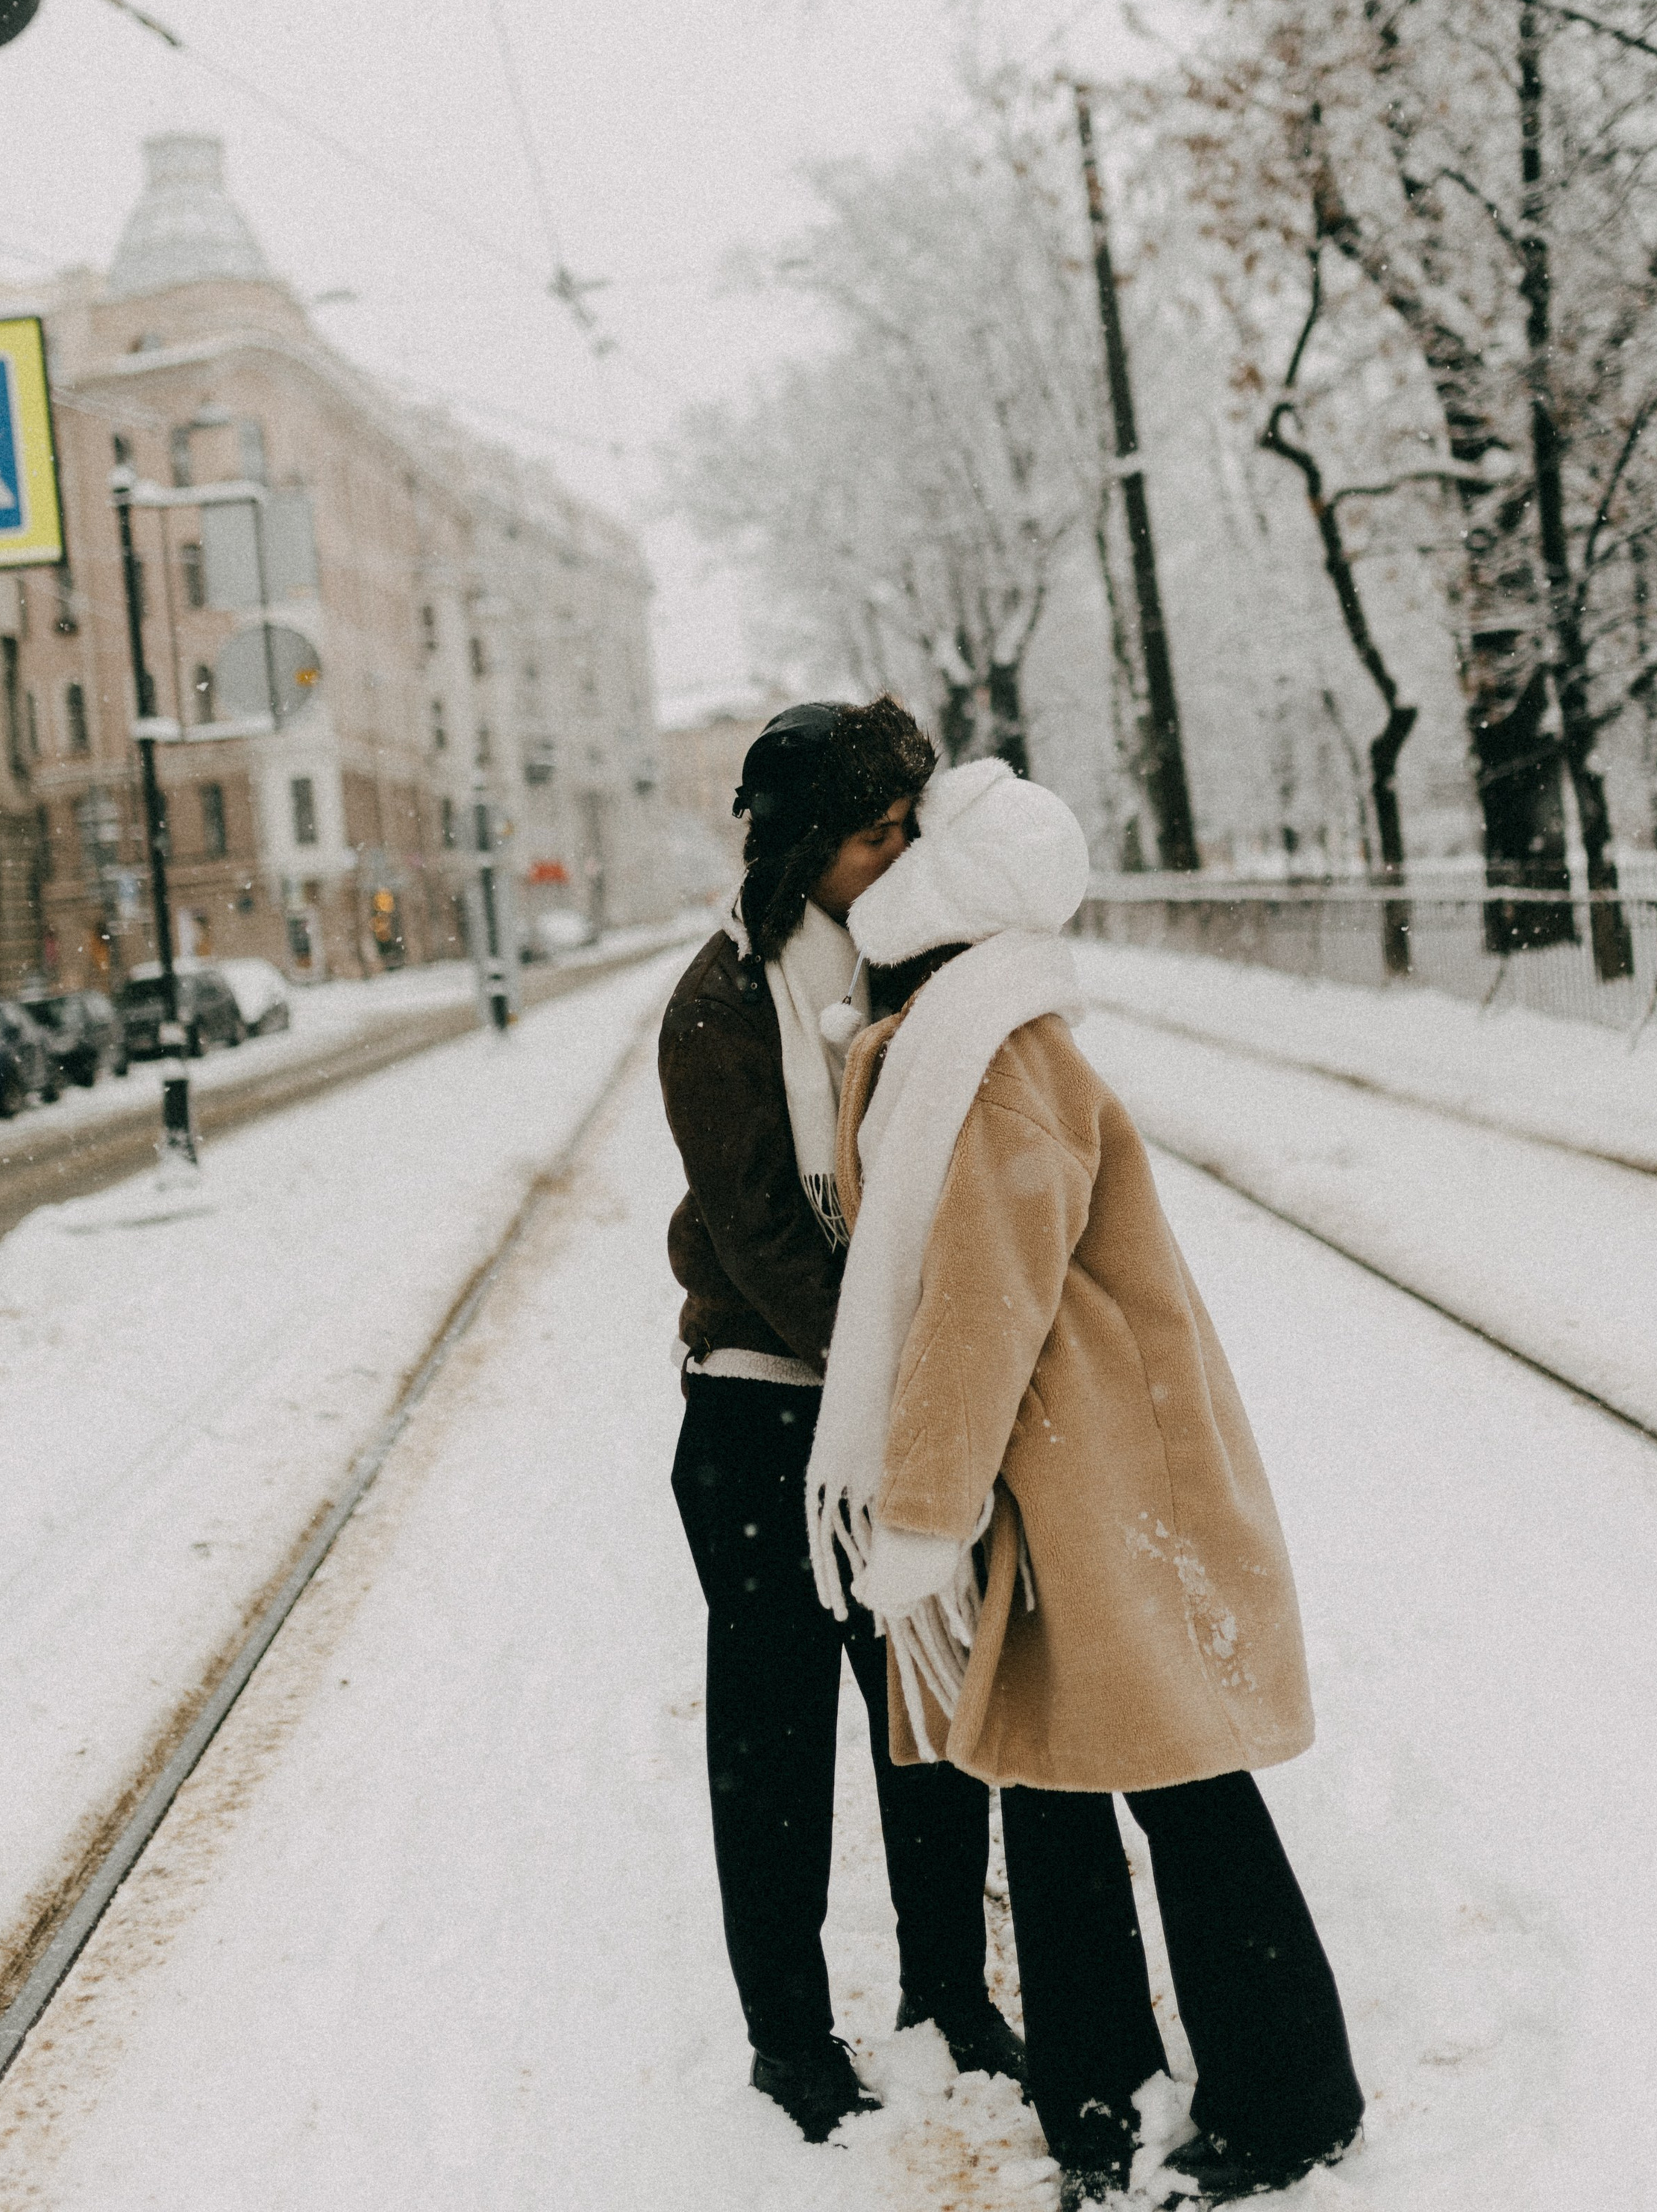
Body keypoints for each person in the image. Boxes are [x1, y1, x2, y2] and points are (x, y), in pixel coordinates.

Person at [809, 758, 1365, 2207]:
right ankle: (1102, 2106)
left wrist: (921, 1511)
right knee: (1058, 1786)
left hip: (1097, 1474)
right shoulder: (965, 1035)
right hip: (1058, 1477)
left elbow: (980, 1297)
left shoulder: (985, 1049)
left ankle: (1282, 2101)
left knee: (1171, 1784)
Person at [659, 699, 1024, 2146]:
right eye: (874, 835)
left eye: (904, 832)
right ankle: (789, 2036)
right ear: (807, 847)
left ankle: (947, 1990)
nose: (896, 855)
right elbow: (755, 1235)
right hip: (762, 1416)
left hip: (900, 1412)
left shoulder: (914, 974)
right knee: (773, 1740)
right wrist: (890, 1372)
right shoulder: (719, 1002)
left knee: (926, 1716)